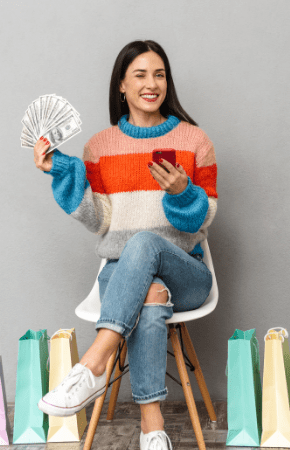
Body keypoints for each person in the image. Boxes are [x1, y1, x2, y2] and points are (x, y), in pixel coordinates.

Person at [34, 40, 218, 450]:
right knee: (150, 297)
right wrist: (60, 171)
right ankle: (153, 430)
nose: (151, 84)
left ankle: (94, 363)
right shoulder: (99, 147)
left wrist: (183, 193)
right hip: (123, 276)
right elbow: (99, 220)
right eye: (140, 75)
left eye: (159, 74)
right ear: (121, 84)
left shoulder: (195, 141)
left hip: (186, 271)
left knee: (146, 243)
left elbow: (204, 221)